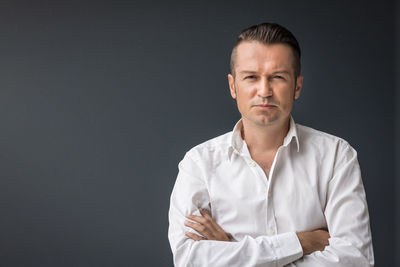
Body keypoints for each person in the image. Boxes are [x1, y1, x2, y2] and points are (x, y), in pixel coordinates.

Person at [168, 22, 374, 266]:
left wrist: (232, 252)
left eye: (277, 77)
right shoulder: (199, 164)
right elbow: (189, 259)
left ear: (297, 86)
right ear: (233, 86)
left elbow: (355, 260)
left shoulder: (337, 156)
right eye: (251, 77)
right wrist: (301, 242)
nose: (264, 91)